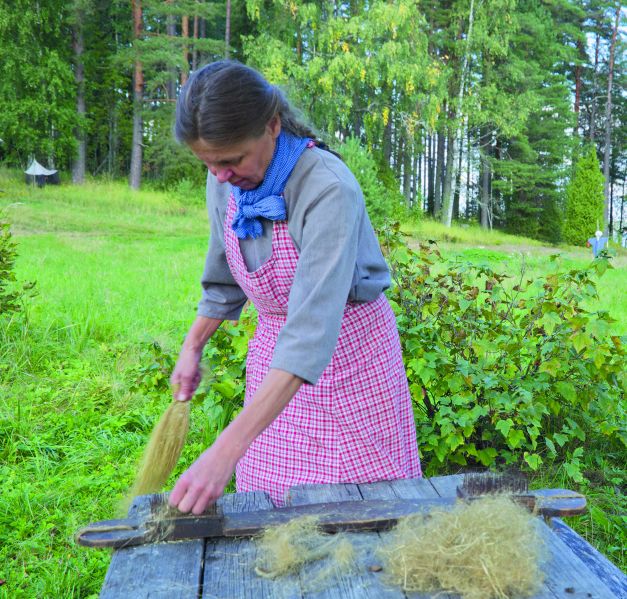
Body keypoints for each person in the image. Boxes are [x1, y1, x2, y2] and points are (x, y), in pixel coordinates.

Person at [168, 60, 421, 515]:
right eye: (208, 163)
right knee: (272, 511)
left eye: (231, 160)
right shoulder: (223, 182)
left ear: (272, 125)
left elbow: (310, 332)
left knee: (358, 514)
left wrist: (226, 450)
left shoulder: (327, 189)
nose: (220, 175)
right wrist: (192, 347)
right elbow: (223, 281)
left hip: (350, 363)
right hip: (275, 366)